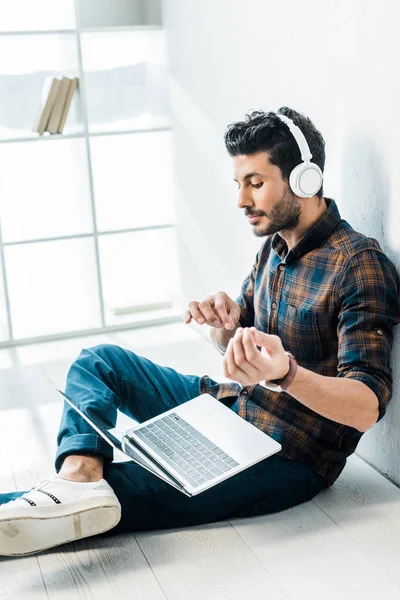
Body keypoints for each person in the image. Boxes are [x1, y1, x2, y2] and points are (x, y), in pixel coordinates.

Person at [1, 107, 399, 558]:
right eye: (238, 184)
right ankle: (77, 472)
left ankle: (72, 489)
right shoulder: (275, 246)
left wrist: (286, 374)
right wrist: (223, 327)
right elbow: (236, 345)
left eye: (256, 182)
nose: (242, 201)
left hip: (287, 456)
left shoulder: (359, 265)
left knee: (92, 500)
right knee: (99, 362)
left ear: (304, 179)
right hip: (232, 407)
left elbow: (367, 406)